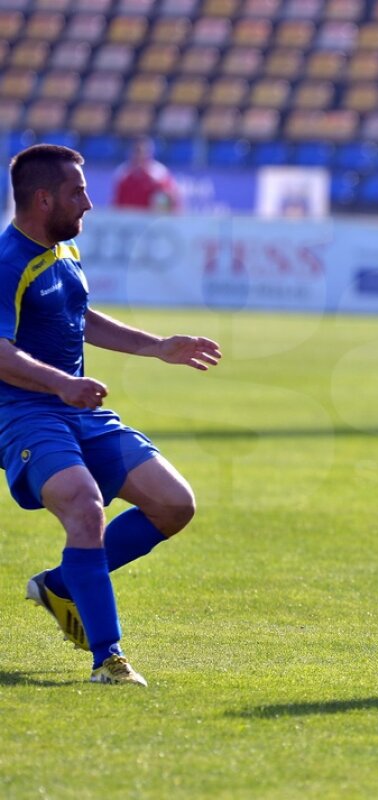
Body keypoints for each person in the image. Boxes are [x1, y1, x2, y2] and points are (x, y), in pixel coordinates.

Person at [2, 144, 221, 684]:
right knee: (84, 506)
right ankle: (109, 659)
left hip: (76, 408)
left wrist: (158, 347)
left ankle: (61, 585)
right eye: (78, 192)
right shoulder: (8, 262)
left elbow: (80, 317)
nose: (90, 203)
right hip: (25, 413)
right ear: (43, 197)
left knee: (174, 504)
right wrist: (61, 383)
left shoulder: (61, 250)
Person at [112, 136, 181, 212]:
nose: (139, 156)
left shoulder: (160, 173)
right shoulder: (123, 172)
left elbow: (171, 200)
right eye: (136, 151)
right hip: (128, 217)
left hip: (151, 219)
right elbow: (117, 203)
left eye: (143, 152)